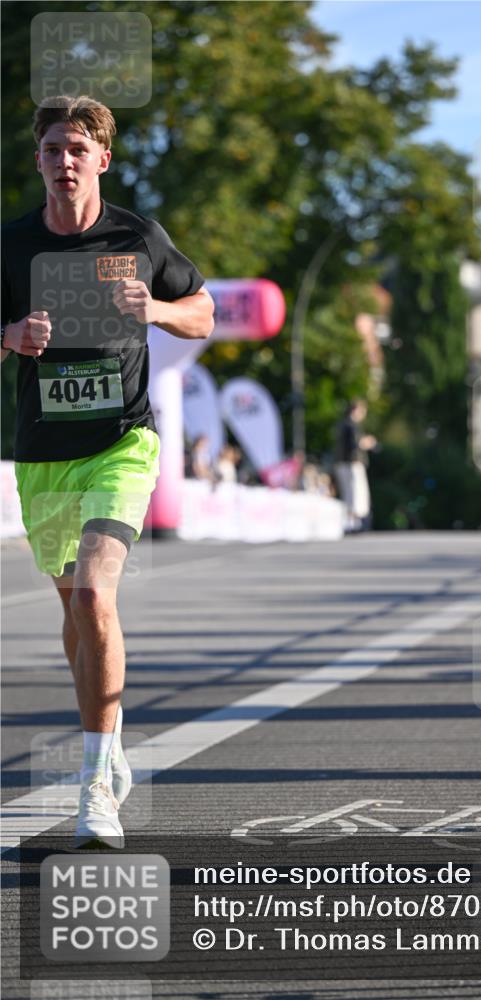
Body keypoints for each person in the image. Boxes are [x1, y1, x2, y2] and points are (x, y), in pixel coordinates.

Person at [1, 96, 214, 846]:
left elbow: (205, 311)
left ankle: (95, 786)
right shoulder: (13, 246)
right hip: (42, 454)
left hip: (122, 444)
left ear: (101, 160)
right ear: (39, 160)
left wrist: (154, 309)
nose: (65, 161)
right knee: (76, 611)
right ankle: (111, 736)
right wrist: (10, 334)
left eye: (78, 149)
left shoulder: (136, 235)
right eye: (53, 148)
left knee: (94, 591)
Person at [334, 399, 376, 532]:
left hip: (341, 463)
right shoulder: (352, 426)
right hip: (352, 463)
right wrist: (368, 442)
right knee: (355, 493)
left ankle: (349, 522)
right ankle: (354, 523)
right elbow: (355, 444)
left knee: (348, 493)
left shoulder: (342, 425)